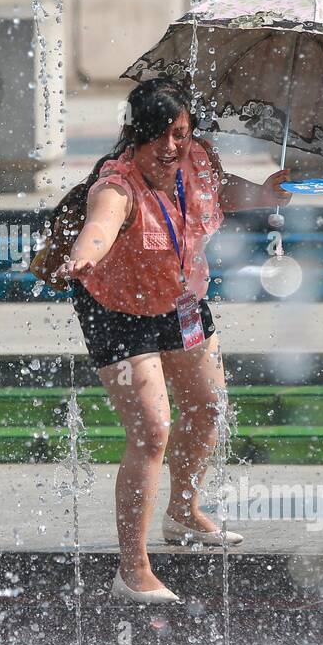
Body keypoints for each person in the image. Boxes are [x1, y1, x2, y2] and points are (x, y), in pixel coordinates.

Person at [56, 79, 291, 604]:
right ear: (134, 138)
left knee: (208, 406)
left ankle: (183, 513)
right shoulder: (117, 185)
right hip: (117, 311)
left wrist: (265, 193)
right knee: (152, 430)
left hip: (180, 299)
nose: (169, 147)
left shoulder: (196, 162)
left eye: (179, 134)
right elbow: (102, 222)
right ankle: (132, 569)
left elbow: (222, 191)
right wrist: (87, 252)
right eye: (157, 136)